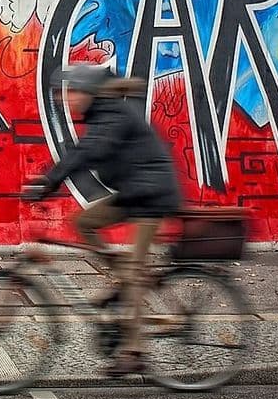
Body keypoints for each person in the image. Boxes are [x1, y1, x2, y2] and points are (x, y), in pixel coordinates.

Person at [22, 63, 183, 376]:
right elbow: (84, 151)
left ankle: (134, 351)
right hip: (135, 191)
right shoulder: (103, 115)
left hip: (151, 196)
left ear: (89, 91)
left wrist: (49, 183)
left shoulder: (113, 115)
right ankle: (124, 278)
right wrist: (50, 182)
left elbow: (87, 152)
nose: (67, 100)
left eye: (72, 93)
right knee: (84, 222)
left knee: (135, 275)